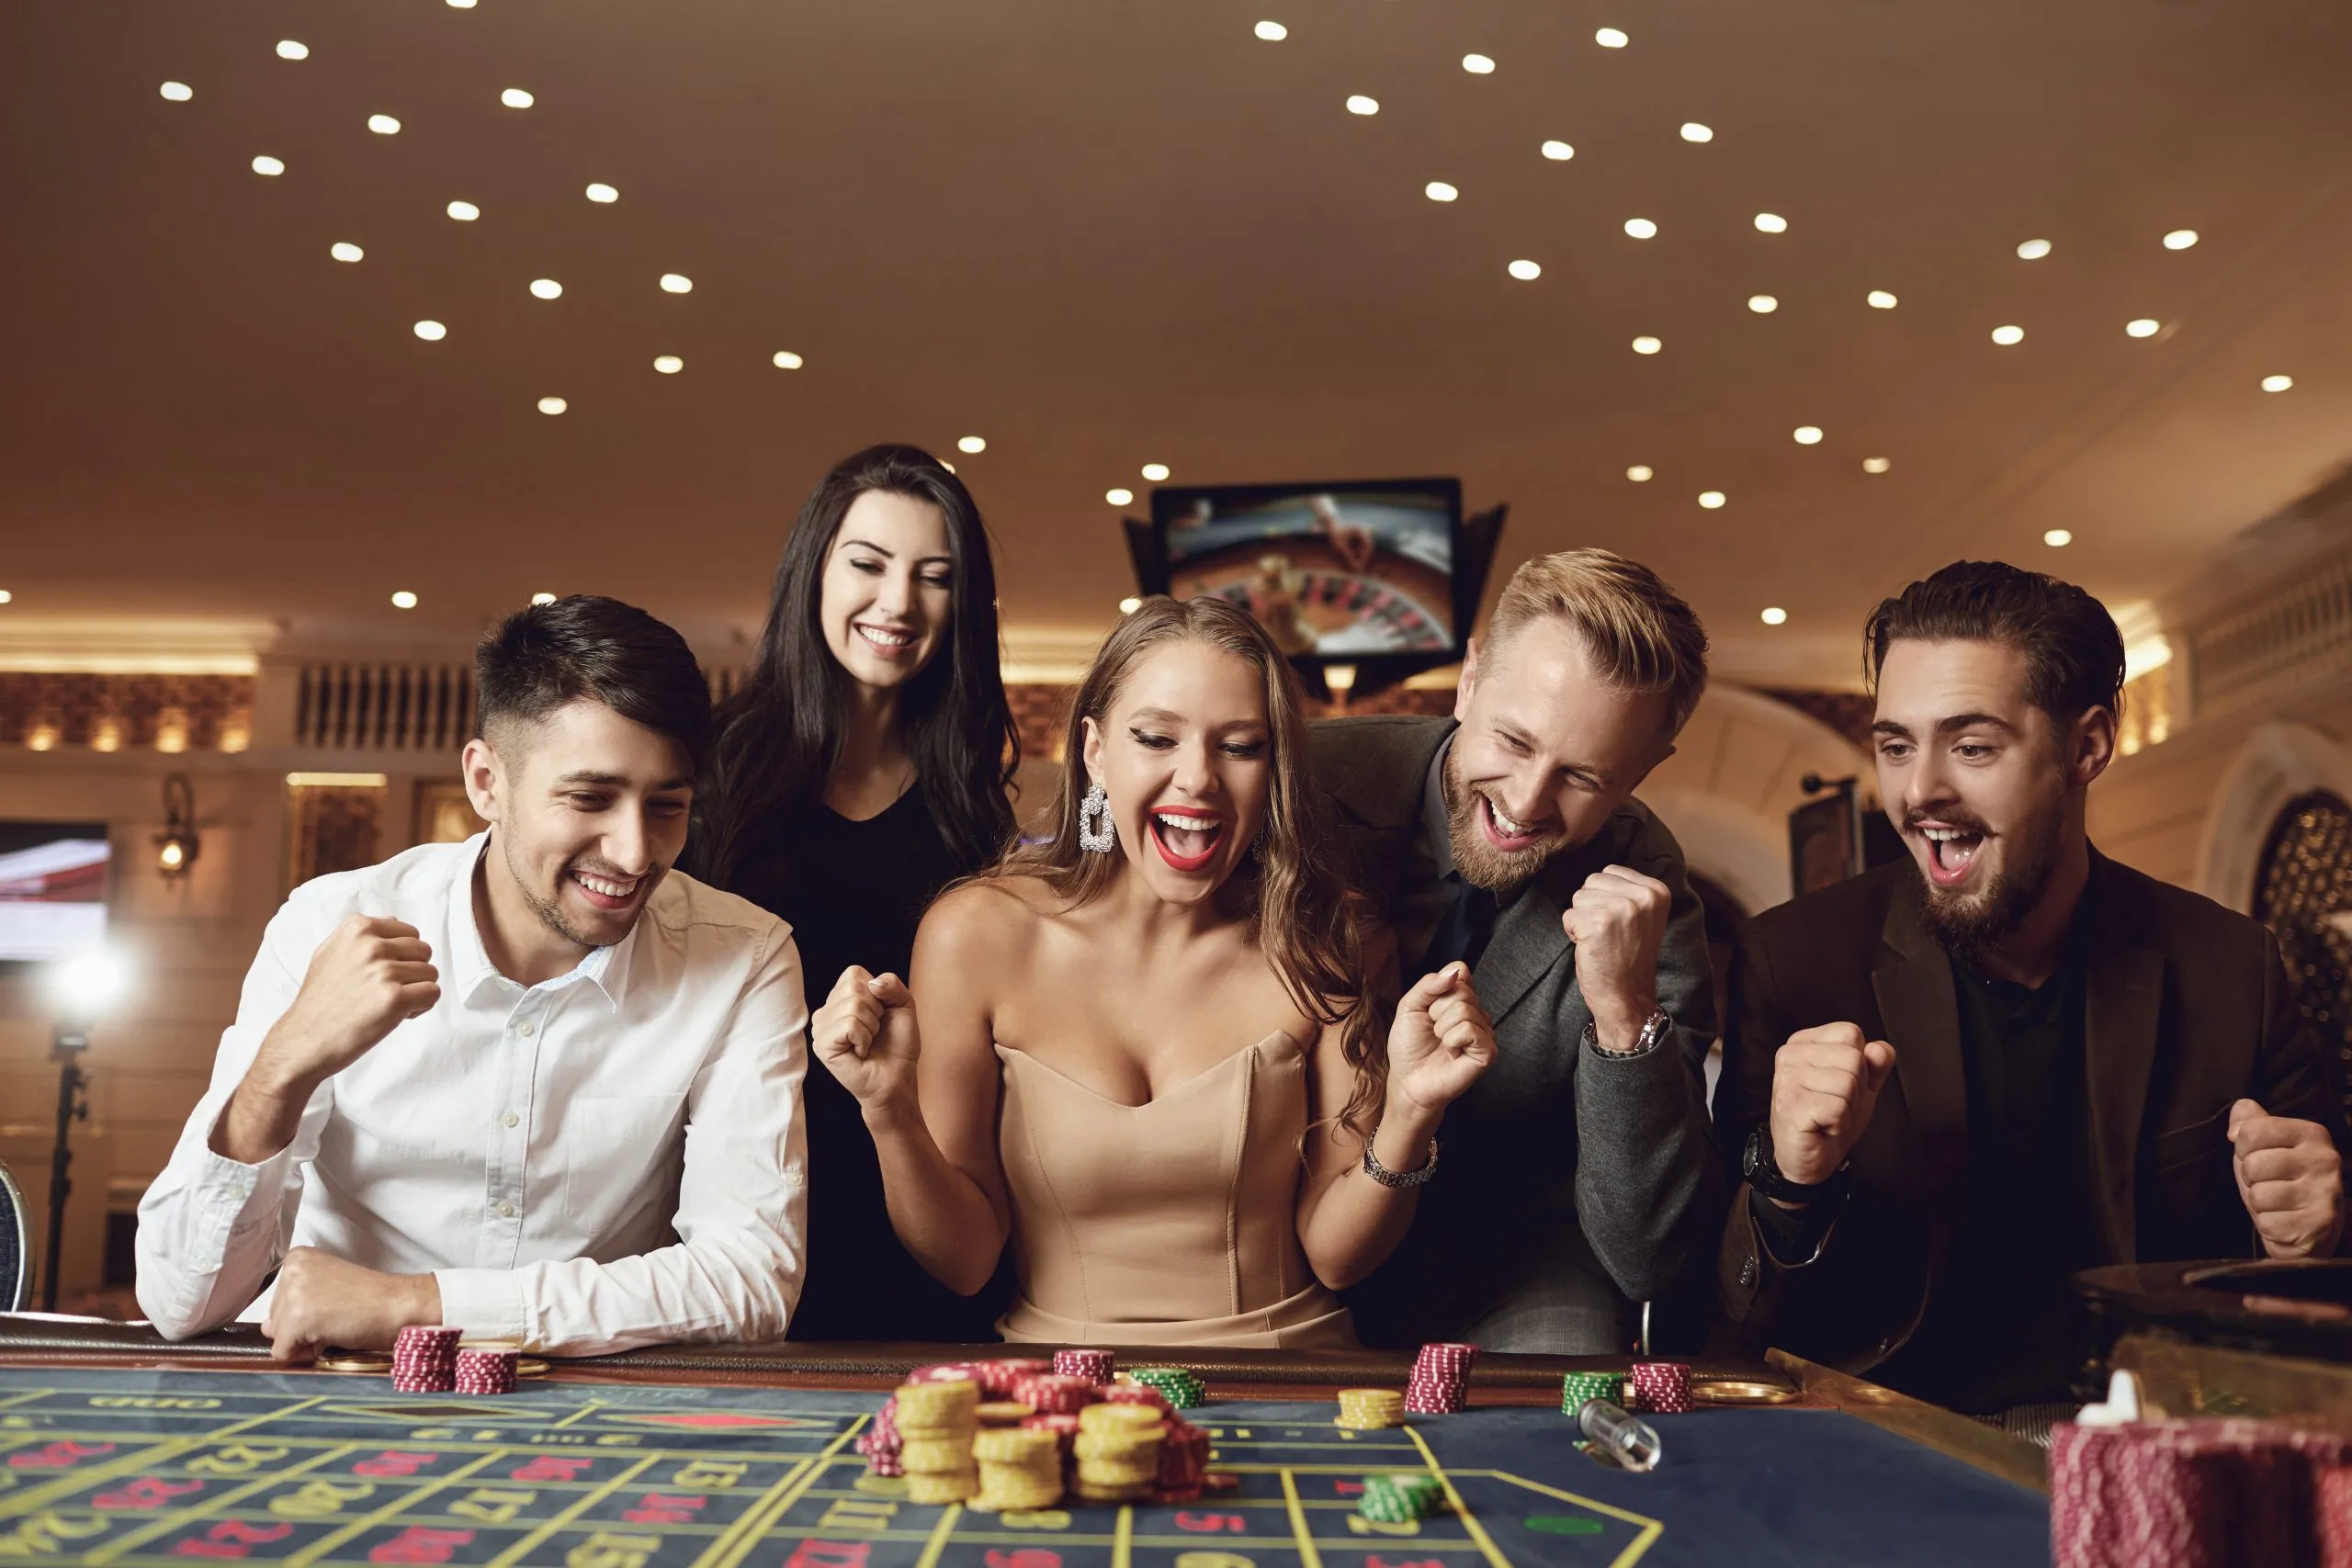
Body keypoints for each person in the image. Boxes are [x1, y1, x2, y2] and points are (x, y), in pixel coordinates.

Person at [1713, 560, 2348, 1414]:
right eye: (1896, 745)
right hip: (1896, 1448)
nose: (1919, 790)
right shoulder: (1794, 961)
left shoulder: (2231, 966)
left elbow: (2317, 1283)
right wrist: (1790, 1180)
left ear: (2086, 746)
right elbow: (1728, 1317)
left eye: (1972, 746)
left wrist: (2316, 1236)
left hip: (2156, 1435)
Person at [809, 594, 1498, 1346]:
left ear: (1274, 771)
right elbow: (966, 1260)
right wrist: (889, 1112)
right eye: (1156, 738)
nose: (1197, 778)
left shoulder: (1330, 932)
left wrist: (1410, 1112)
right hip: (1061, 1388)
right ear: (1095, 752)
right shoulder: (974, 935)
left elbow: (1337, 1256)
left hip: (1288, 1376)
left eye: (1240, 746)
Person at [135, 596, 809, 1359]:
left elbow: (752, 1280)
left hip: (596, 1417)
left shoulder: (746, 957)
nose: (633, 852)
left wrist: (417, 1304)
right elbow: (179, 1301)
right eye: (589, 797)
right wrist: (283, 1067)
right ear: (486, 781)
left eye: (667, 806)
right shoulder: (326, 923)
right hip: (335, 1399)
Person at [1311, 548, 1724, 1354]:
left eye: (1583, 775)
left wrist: (1623, 1013)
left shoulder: (1645, 876)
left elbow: (1650, 1254)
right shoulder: (1311, 786)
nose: (1526, 802)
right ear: (1469, 680)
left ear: (1646, 767)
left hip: (1508, 1256)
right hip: (1287, 1226)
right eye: (1512, 738)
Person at [692, 444, 1019, 1343]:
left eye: (934, 577)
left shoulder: (969, 808)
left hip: (916, 1209)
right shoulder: (711, 771)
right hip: (736, 1212)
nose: (899, 603)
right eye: (868, 564)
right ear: (813, 573)